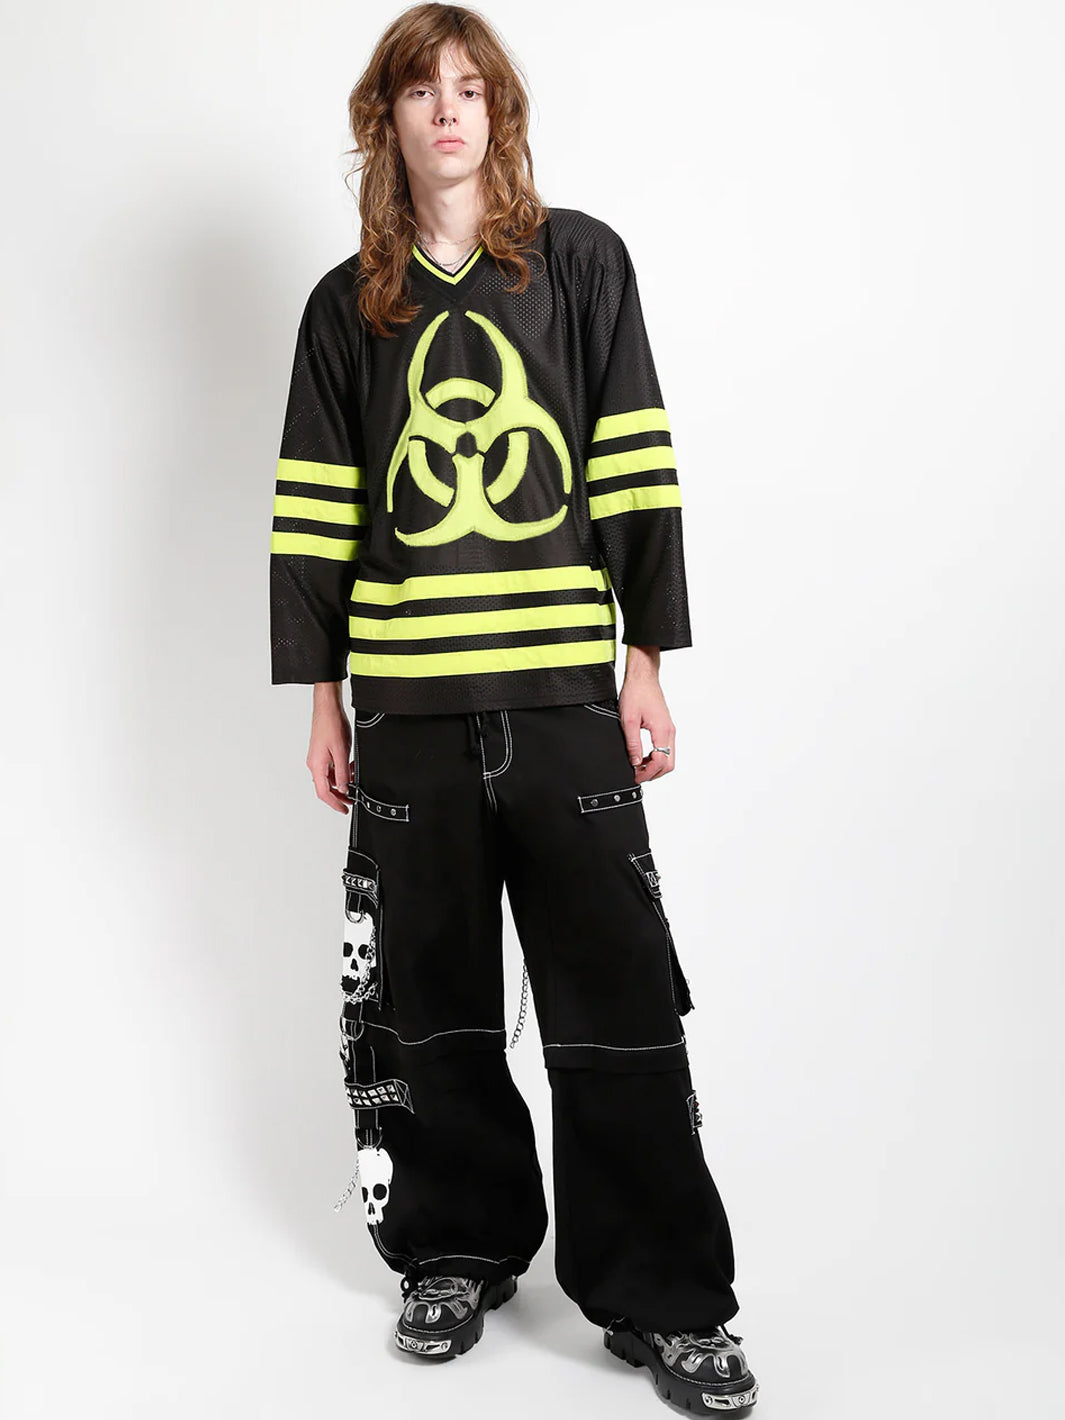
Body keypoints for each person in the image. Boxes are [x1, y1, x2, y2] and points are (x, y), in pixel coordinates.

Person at [269, 4, 758, 1411]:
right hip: (407, 709)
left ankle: (664, 1296)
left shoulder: (580, 265)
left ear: (500, 113)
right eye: (422, 90)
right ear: (386, 118)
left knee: (618, 1003)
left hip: (561, 701)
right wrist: (323, 698)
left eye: (470, 89)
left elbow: (632, 460)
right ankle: (453, 1252)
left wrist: (645, 660)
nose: (448, 112)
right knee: (425, 1008)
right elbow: (316, 508)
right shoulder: (346, 306)